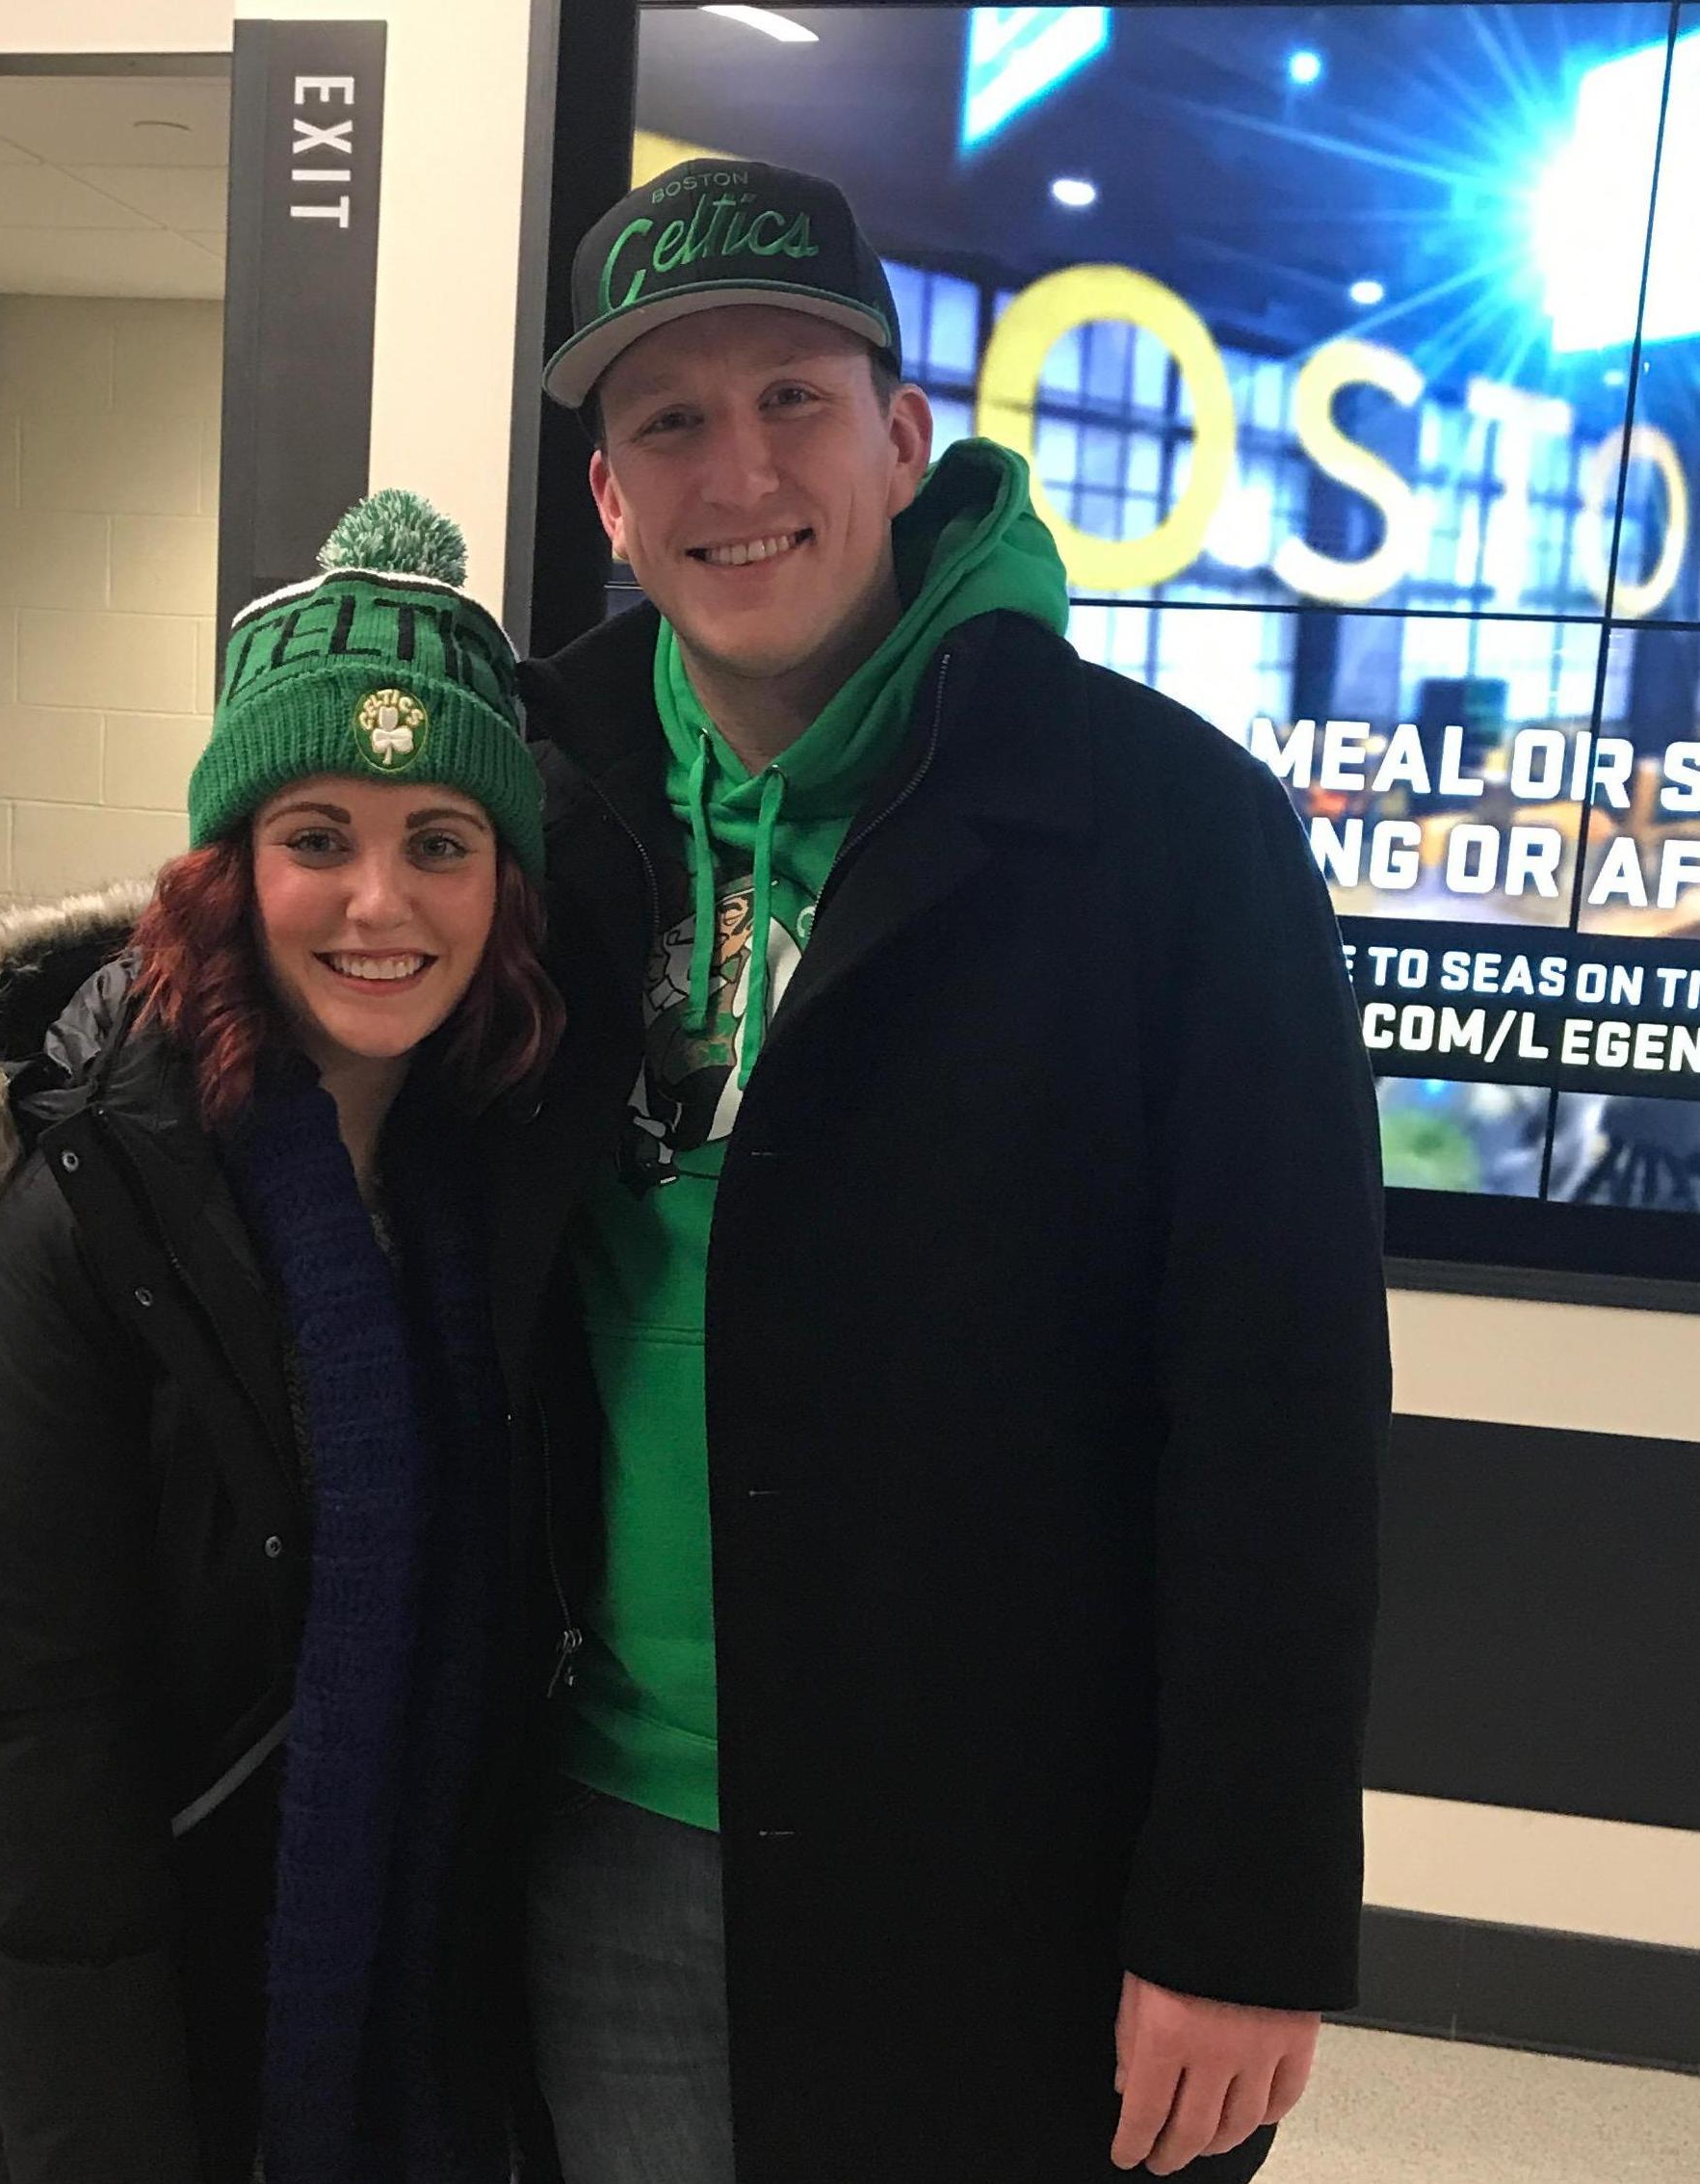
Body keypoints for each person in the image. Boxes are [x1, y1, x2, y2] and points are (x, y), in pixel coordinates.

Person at [499, 159, 1390, 2183]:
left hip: (1013, 1870)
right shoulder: (529, 810)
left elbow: (1283, 1417)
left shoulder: (1171, 837)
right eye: (668, 421)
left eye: (792, 399)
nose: (740, 473)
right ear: (611, 502)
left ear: (906, 437)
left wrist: (1238, 1923)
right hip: (601, 1840)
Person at [0, 491, 562, 2184]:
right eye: (317, 834)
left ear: (503, 880)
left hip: (408, 2028)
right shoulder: (100, 1194)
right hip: (137, 2053)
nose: (379, 901)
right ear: (231, 869)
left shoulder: (507, 1180)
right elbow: (22, 1742)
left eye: (440, 840)